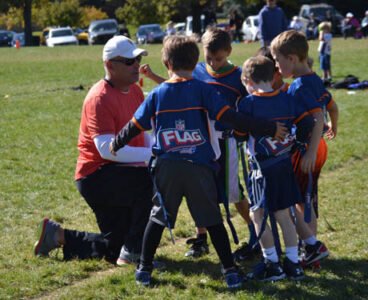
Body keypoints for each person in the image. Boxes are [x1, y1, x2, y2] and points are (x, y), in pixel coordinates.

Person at [110, 35, 287, 288]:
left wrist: (116, 143)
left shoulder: (158, 94)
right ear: (195, 63)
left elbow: (135, 125)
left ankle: (144, 269)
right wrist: (268, 128)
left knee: (158, 217)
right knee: (212, 219)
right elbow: (233, 118)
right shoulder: (205, 90)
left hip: (167, 166)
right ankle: (229, 271)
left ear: (167, 63)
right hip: (198, 166)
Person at [139, 28, 265, 261]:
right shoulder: (196, 70)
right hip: (199, 141)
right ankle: (201, 239)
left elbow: (251, 103)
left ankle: (256, 232)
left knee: (231, 191)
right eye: (209, 58)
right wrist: (155, 78)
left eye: (218, 58)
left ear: (229, 51)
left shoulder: (238, 77)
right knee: (198, 191)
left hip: (226, 142)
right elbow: (175, 87)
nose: (214, 64)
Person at [33, 36, 155, 266]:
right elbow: (107, 151)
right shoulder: (99, 98)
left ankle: (56, 235)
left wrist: (155, 150)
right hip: (98, 175)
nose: (136, 65)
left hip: (118, 172)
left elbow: (142, 134)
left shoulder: (136, 91)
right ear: (110, 65)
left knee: (112, 247)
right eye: (130, 61)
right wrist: (153, 156)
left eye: (137, 59)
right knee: (149, 183)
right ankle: (134, 252)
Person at [237, 56, 312, 281]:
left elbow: (240, 134)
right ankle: (293, 262)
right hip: (283, 164)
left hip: (261, 170)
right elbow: (308, 122)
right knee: (283, 214)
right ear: (273, 76)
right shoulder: (287, 98)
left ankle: (272, 263)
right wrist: (296, 142)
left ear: (248, 80)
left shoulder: (247, 103)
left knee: (257, 214)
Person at [271, 30, 337, 267]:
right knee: (306, 199)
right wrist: (334, 126)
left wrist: (309, 150)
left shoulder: (299, 86)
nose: (277, 67)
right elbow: (332, 106)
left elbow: (319, 117)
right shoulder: (313, 78)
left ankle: (311, 250)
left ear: (292, 58)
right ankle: (309, 247)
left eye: (278, 61)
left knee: (304, 201)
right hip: (315, 145)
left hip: (309, 150)